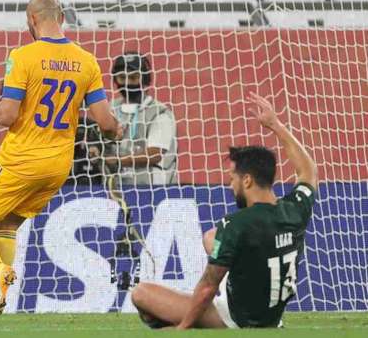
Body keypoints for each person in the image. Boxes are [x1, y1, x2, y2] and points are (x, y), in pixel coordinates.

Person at [0, 0, 123, 325]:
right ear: (61, 17)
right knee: (7, 225)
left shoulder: (23, 57)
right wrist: (118, 130)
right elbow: (105, 123)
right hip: (58, 166)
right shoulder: (86, 61)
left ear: (32, 19)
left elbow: (7, 115)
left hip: (21, 159)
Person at [130, 92, 318, 329]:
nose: (231, 185)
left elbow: (208, 285)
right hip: (271, 313)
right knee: (211, 238)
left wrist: (183, 328)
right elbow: (309, 172)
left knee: (141, 294)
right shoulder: (295, 210)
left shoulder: (237, 224)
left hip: (237, 318)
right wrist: (275, 125)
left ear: (247, 180)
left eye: (232, 178)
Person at [104, 52, 177, 188]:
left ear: (144, 79)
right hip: (116, 188)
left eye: (133, 77)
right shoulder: (110, 108)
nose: (126, 83)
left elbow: (155, 153)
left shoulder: (160, 112)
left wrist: (118, 161)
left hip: (154, 190)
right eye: (122, 77)